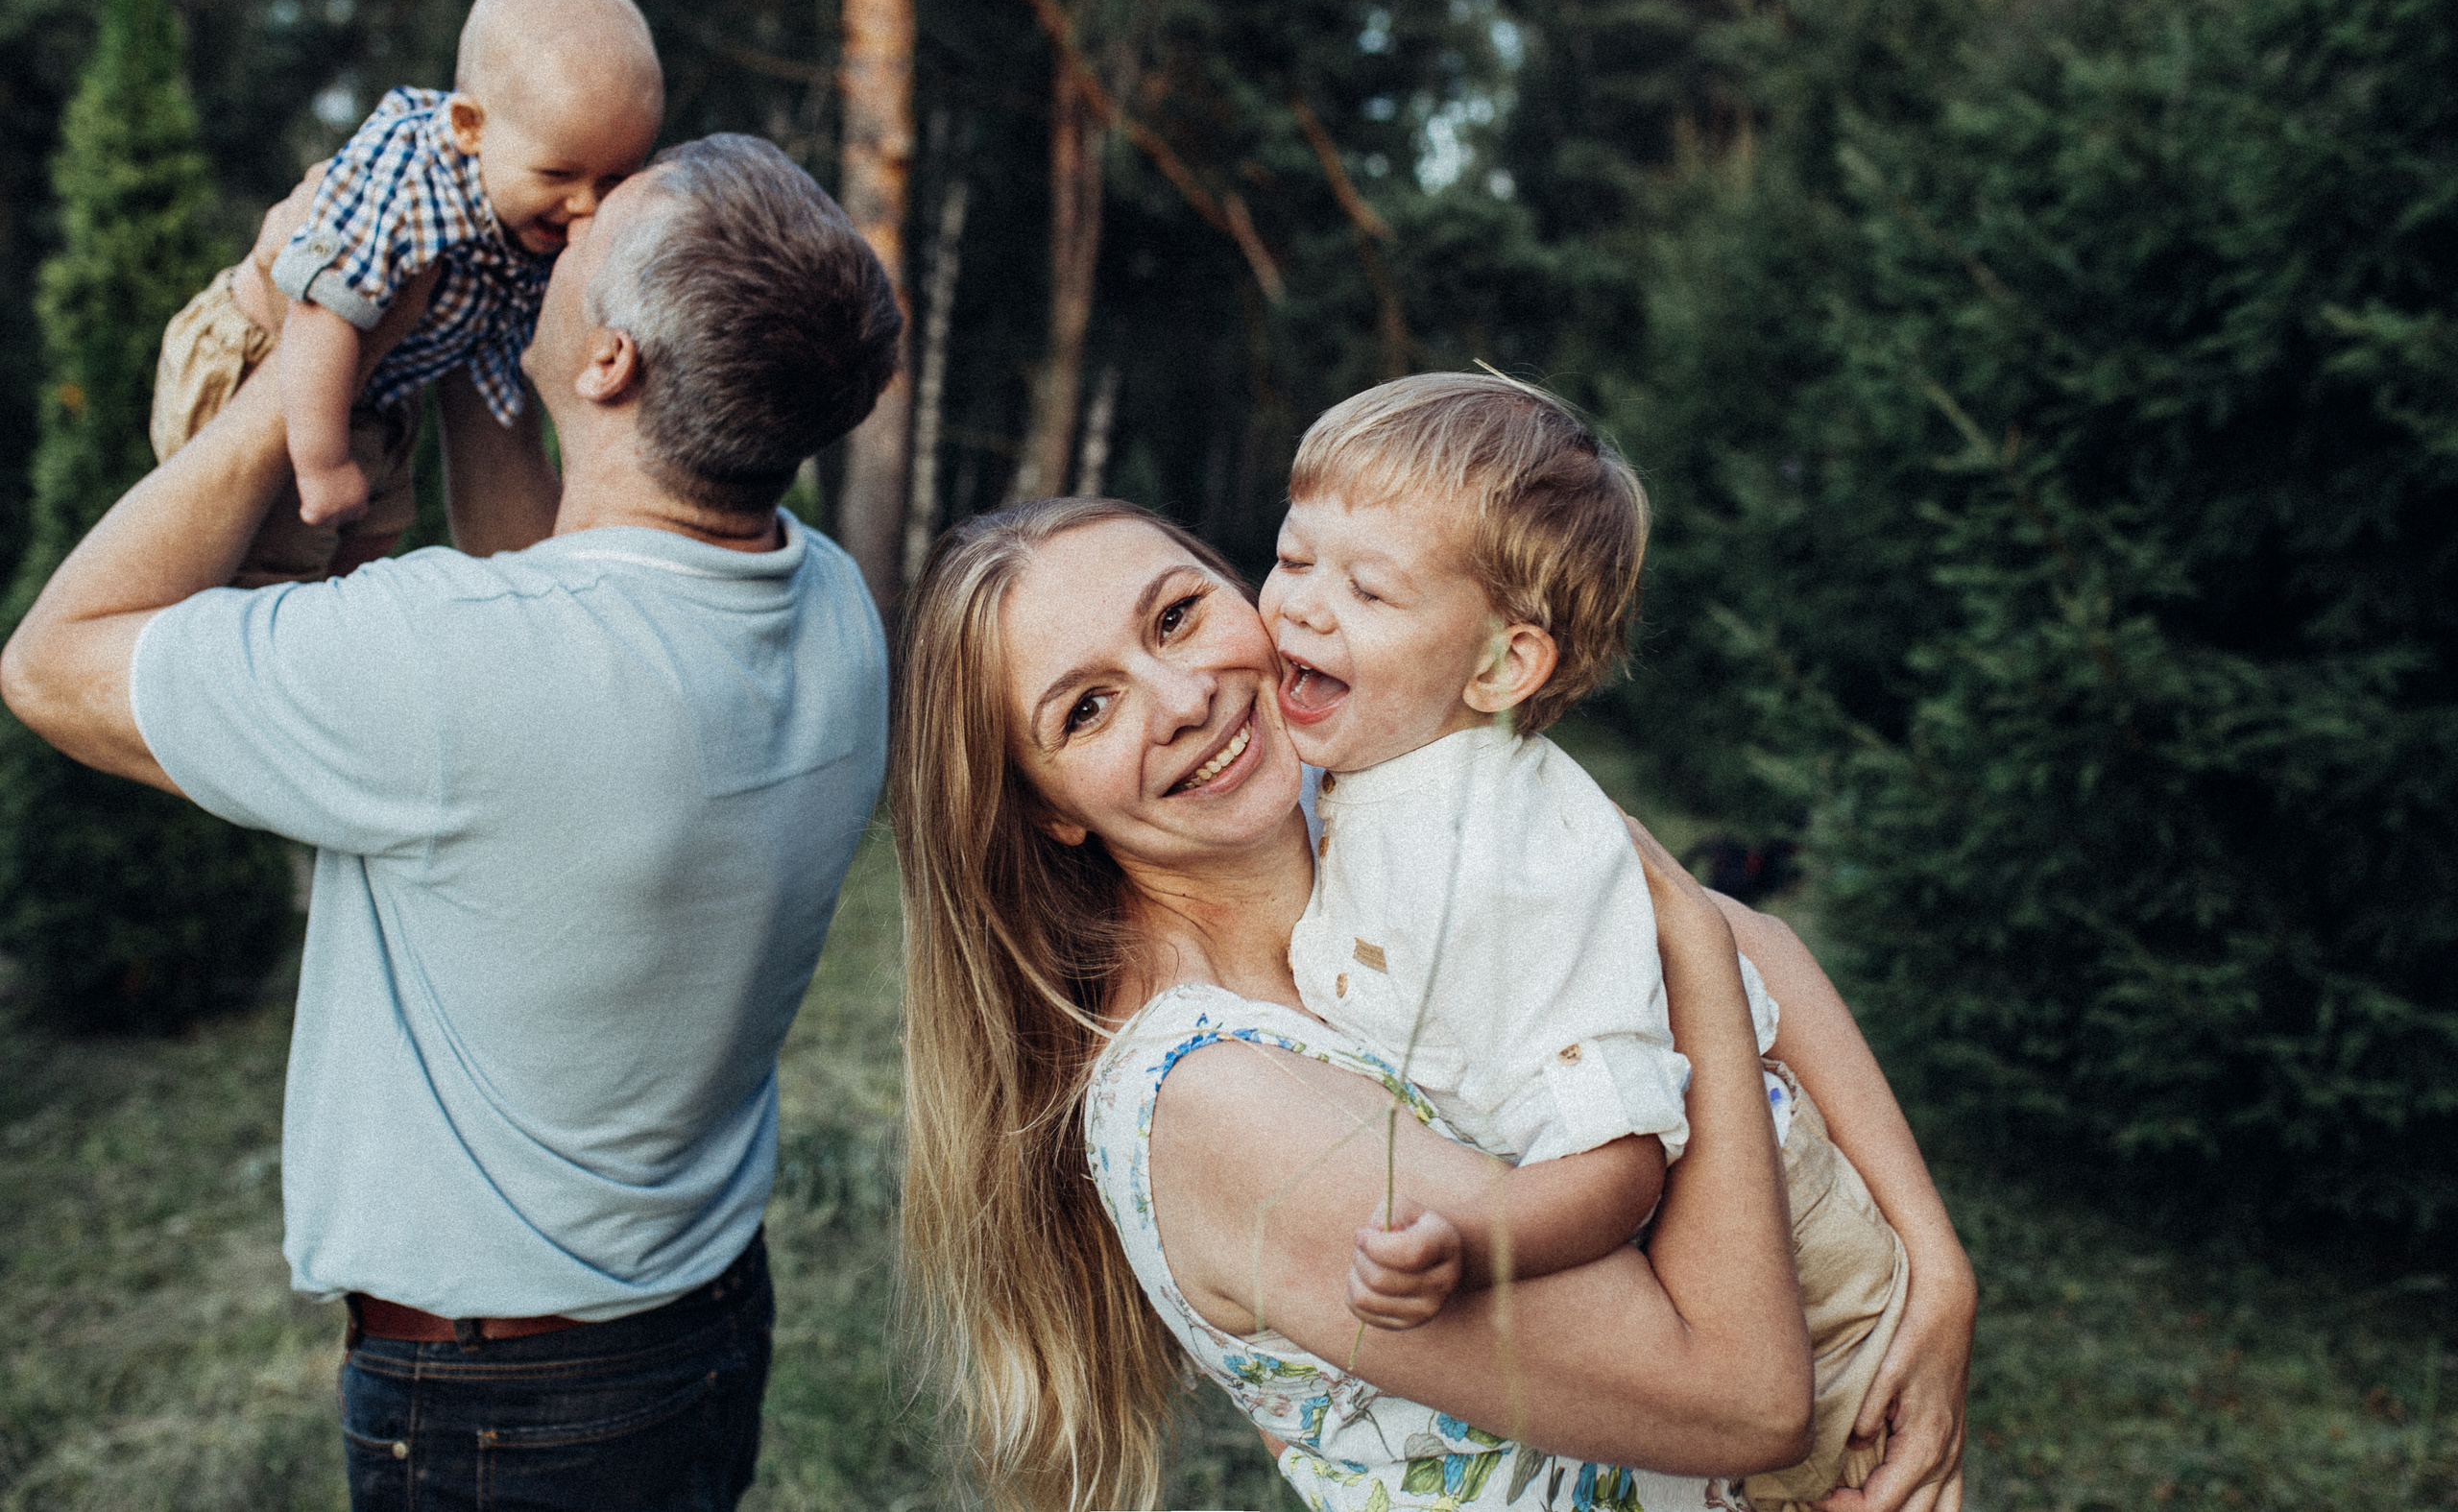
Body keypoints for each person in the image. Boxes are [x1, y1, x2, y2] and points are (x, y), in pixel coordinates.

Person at [1, 133, 903, 1511]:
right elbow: (557, 583)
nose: (569, 220)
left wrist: (313, 354)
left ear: (612, 363)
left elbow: (51, 665)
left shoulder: (458, 663)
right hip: (700, 1317)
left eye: (595, 232)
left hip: (500, 1410)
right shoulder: (830, 601)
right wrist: (492, 357)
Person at [893, 497, 1975, 1512]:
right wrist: (1686, 945)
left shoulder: (1384, 802)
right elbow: (1743, 1400)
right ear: (1046, 813)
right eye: (1086, 709)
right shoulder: (1211, 1097)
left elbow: (1764, 954)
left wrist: (1937, 1276)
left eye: (1177, 617)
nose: (1184, 699)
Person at [1262, 372, 1906, 1510]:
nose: (1299, 607)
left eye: (1366, 588)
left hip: (1789, 1258)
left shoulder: (1505, 866)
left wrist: (1471, 1242)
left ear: (1502, 667)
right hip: (1695, 1232)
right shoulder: (1381, 767)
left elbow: (1621, 1165)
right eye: (1292, 555)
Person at [148, 0, 662, 582]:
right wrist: (321, 462)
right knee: (268, 563)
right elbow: (320, 309)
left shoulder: (532, 207)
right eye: (559, 176)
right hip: (273, 360)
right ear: (470, 127)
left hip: (378, 392)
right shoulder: (413, 182)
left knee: (373, 536)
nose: (585, 206)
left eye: (614, 179)